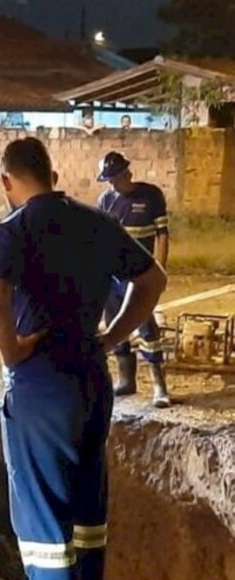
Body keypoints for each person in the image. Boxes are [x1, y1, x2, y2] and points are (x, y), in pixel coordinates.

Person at [0, 138, 167, 580]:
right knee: (85, 519)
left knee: (44, 527)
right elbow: (153, 279)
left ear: (6, 181)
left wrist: (13, 351)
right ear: (53, 173)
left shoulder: (11, 231)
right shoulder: (95, 221)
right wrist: (110, 338)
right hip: (90, 381)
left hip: (41, 389)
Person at [96, 151, 171, 408]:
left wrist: (159, 270)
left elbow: (162, 234)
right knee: (115, 324)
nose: (112, 184)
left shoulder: (150, 196)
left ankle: (159, 385)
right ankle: (126, 380)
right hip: (112, 277)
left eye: (114, 178)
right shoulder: (105, 200)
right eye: (108, 180)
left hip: (139, 276)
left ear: (127, 174)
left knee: (145, 326)